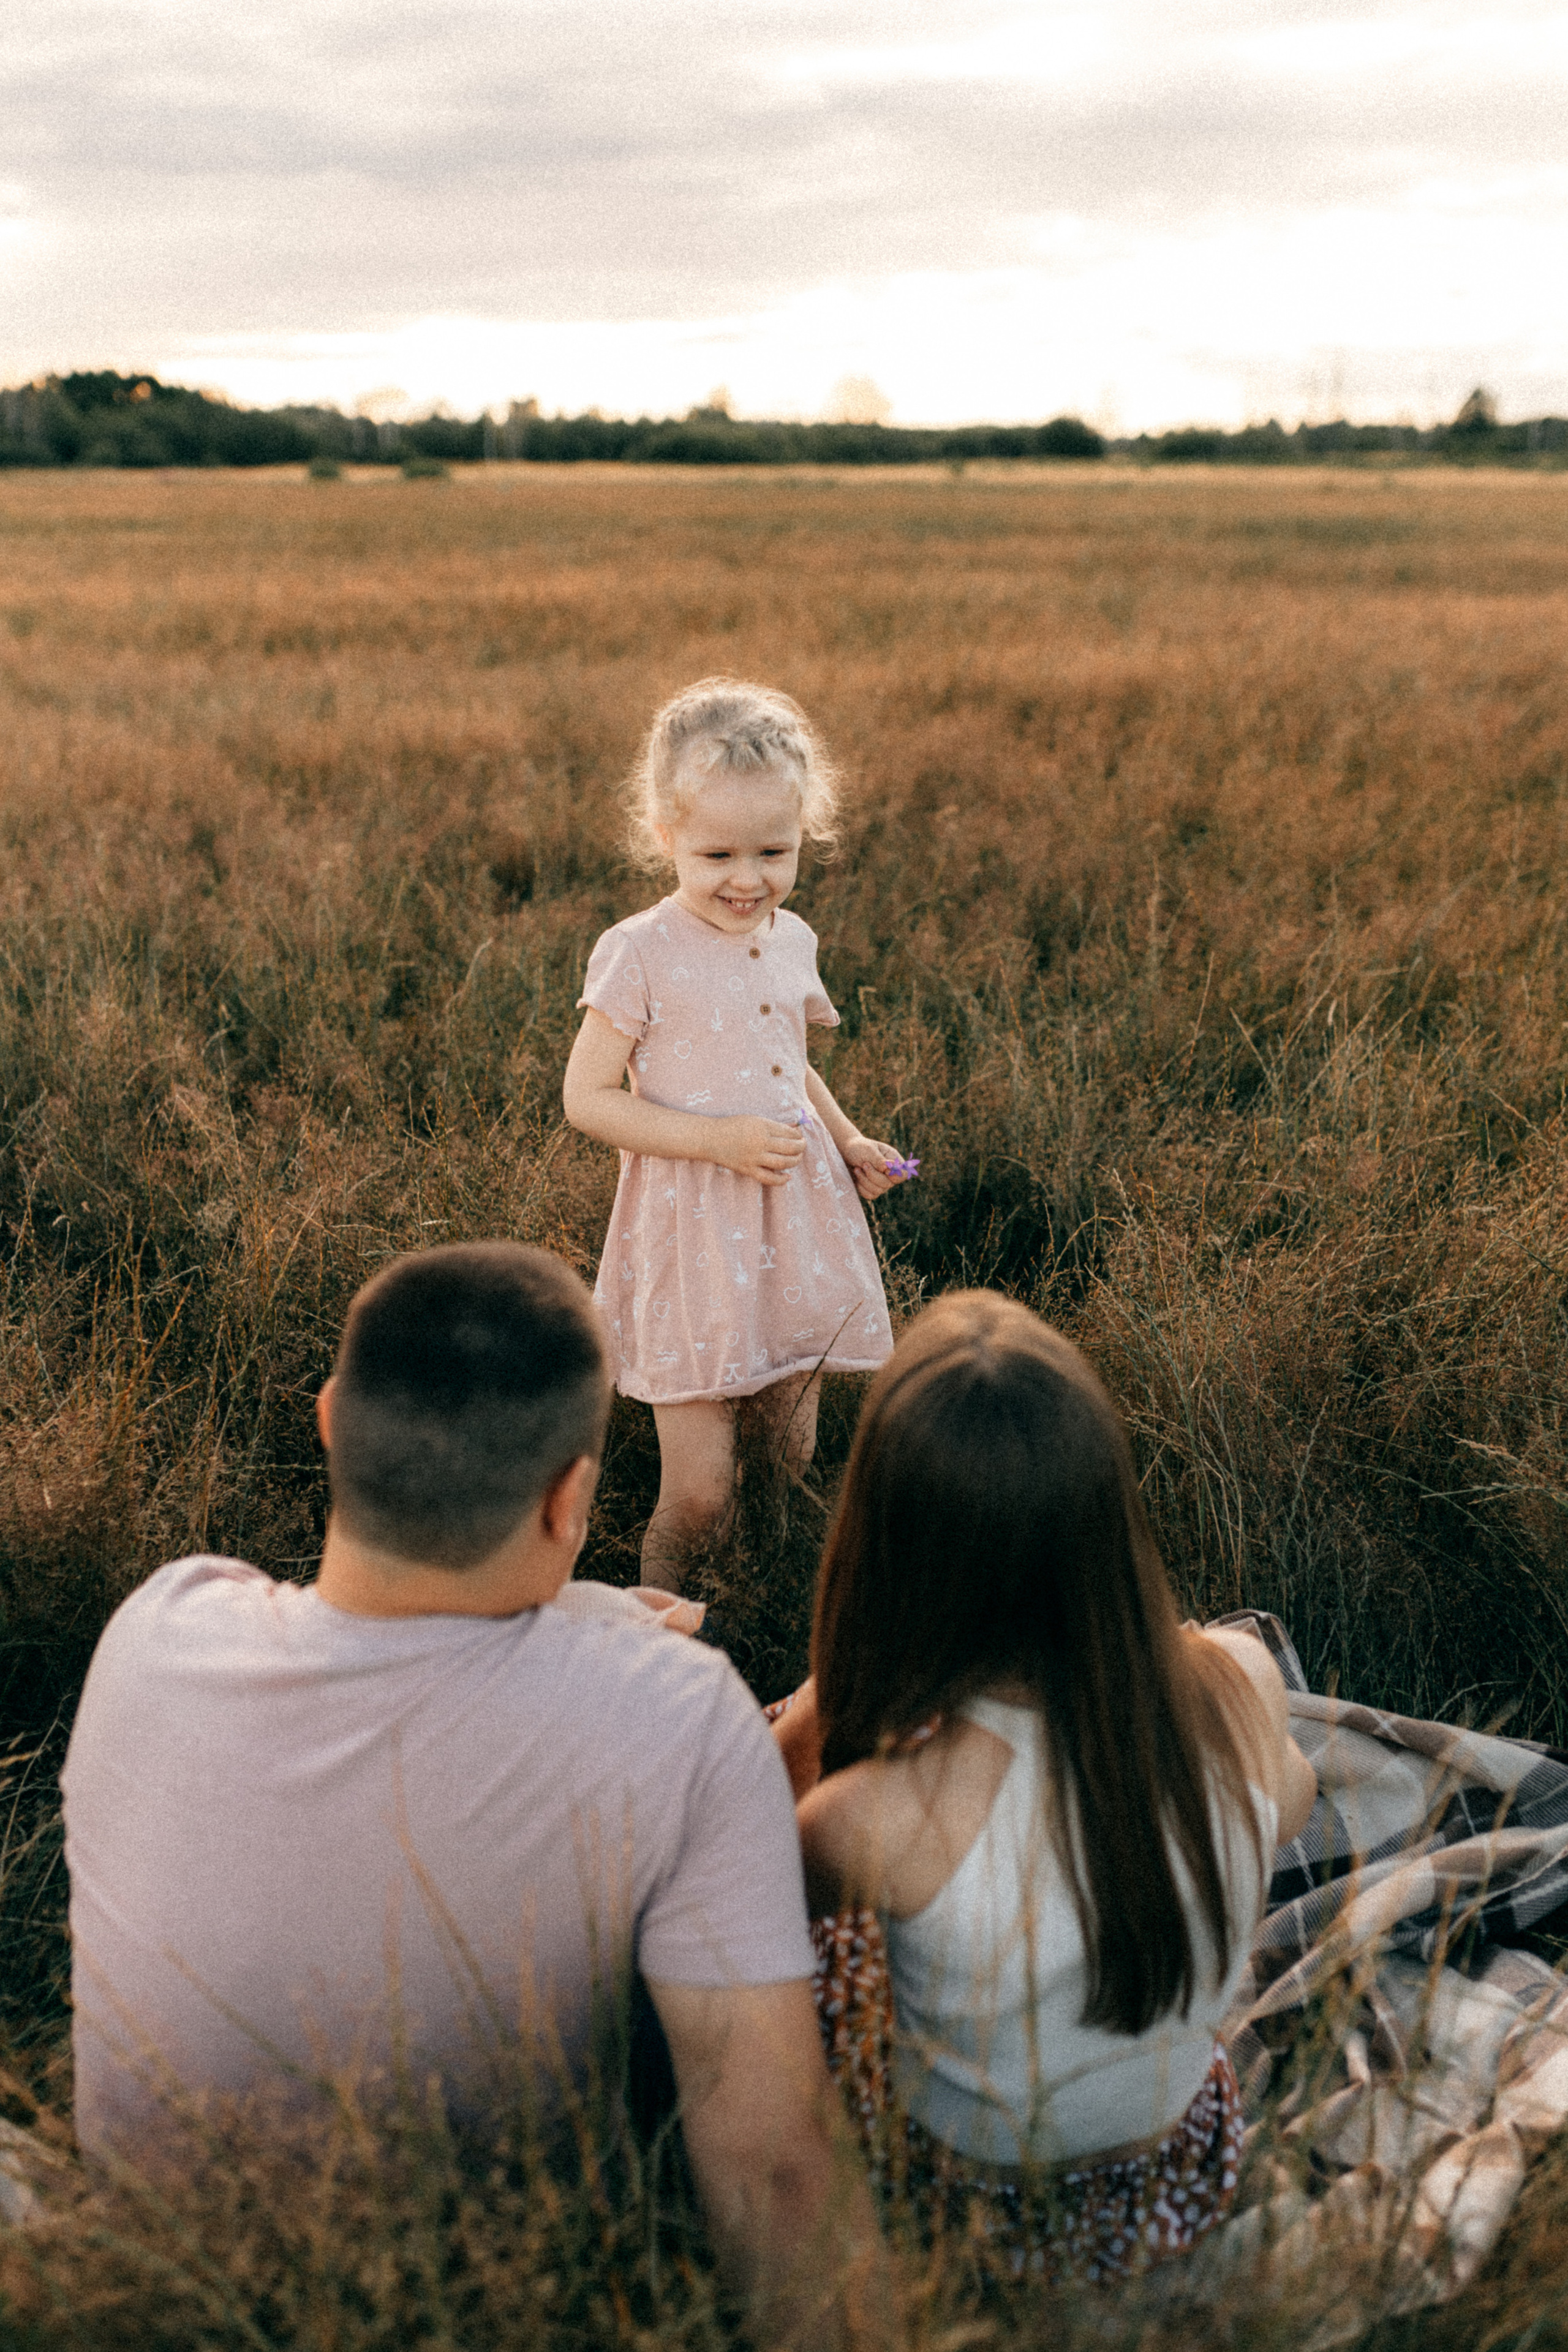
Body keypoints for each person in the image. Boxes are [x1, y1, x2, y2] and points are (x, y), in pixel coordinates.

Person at [62, 1243, 883, 2343]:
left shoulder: (156, 1632)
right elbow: (777, 2182)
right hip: (490, 2306)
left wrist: (576, 1621)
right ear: (571, 1497)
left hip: (144, 2294)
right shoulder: (682, 1720)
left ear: (328, 1421)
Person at [775, 1291, 1318, 2282]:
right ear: (1110, 1519)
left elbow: (757, 1866)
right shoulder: (1243, 1680)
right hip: (1177, 2166)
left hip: (968, 2204)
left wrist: (836, 1685)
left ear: (884, 1545)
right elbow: (1294, 1804)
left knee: (802, 1958)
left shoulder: (879, 1820)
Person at [563, 677, 912, 1591]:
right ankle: (666, 1636)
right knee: (702, 1493)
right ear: (665, 834)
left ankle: (756, 1608)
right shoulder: (639, 950)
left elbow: (784, 1057)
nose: (748, 879)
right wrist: (715, 1143)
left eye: (775, 851)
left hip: (791, 1216)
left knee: (788, 1456)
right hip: (692, 1230)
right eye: (717, 852)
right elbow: (588, 1098)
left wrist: (846, 1139)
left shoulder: (790, 937)